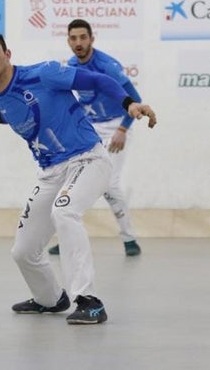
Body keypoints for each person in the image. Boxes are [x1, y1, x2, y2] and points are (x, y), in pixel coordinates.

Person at [0, 28, 156, 324]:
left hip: (88, 159)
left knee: (65, 211)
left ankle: (90, 300)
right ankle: (50, 299)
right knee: (23, 251)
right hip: (50, 173)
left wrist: (128, 104)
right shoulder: (1, 99)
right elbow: (8, 115)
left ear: (7, 54)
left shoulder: (44, 73)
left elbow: (97, 80)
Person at [49, 18, 143, 257]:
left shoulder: (107, 65)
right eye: (73, 38)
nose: (78, 42)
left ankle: (129, 238)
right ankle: (67, 234)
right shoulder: (71, 65)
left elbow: (135, 99)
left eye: (83, 37)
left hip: (117, 127)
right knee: (71, 180)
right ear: (68, 41)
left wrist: (122, 129)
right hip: (90, 128)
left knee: (110, 186)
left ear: (92, 38)